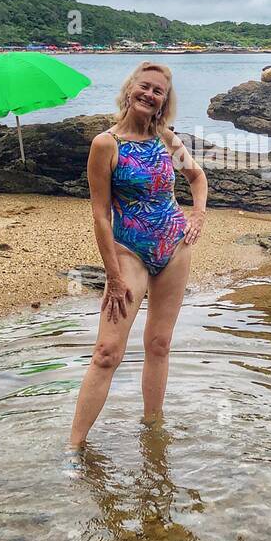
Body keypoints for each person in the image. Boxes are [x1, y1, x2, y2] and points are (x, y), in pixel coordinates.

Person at [66, 62, 207, 457]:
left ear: (164, 100)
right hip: (129, 250)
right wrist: (112, 275)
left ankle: (152, 433)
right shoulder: (105, 144)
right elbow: (100, 214)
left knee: (159, 344)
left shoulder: (166, 139)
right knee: (107, 352)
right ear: (130, 89)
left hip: (174, 247)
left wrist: (198, 215)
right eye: (144, 87)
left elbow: (197, 177)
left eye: (158, 91)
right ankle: (74, 448)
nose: (150, 94)